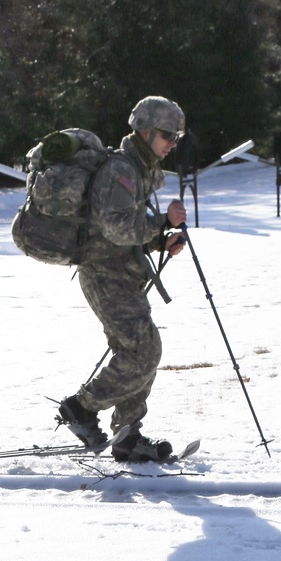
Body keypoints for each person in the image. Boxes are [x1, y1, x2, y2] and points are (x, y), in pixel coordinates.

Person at [56, 96, 188, 462]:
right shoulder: (121, 169)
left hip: (121, 272)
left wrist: (161, 241)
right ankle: (80, 408)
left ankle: (128, 435)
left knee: (138, 349)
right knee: (144, 350)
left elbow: (126, 230)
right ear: (144, 132)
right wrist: (162, 222)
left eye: (177, 137)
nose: (172, 143)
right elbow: (114, 228)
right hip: (104, 273)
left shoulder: (138, 168)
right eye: (166, 135)